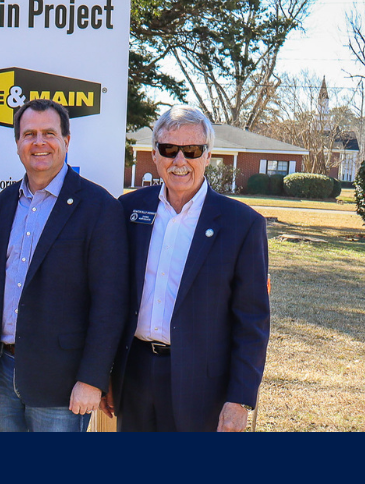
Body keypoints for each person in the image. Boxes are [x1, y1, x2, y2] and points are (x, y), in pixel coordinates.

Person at [102, 105, 270, 432]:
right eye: (169, 149)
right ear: (155, 155)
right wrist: (105, 374)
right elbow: (112, 299)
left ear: (208, 156)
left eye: (192, 150)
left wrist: (240, 399)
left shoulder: (243, 225)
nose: (180, 160)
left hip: (203, 387)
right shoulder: (128, 210)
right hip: (133, 375)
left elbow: (252, 321)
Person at [0, 98, 127, 432]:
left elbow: (110, 302)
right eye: (29, 134)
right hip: (2, 373)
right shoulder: (3, 204)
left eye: (49, 133)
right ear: (17, 142)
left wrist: (92, 378)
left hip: (63, 380)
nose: (39, 142)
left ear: (67, 140)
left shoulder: (99, 207)